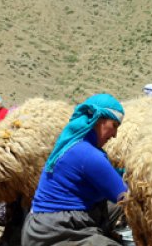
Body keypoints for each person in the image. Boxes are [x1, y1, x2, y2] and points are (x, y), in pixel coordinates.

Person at [22, 93, 128, 246]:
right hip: (55, 230)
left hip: (37, 226)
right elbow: (124, 196)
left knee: (112, 208)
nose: (115, 135)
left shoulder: (73, 145)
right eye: (114, 126)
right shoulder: (89, 155)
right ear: (99, 120)